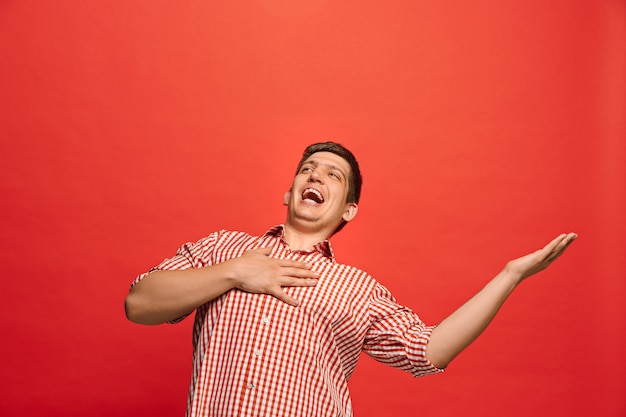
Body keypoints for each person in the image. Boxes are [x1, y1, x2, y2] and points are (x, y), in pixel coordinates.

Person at [125, 142, 577, 417]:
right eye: (308, 169)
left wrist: (510, 276)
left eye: (333, 175)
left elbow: (430, 350)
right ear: (289, 192)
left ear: (348, 211)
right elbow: (140, 302)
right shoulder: (225, 247)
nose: (316, 174)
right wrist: (235, 271)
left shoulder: (357, 288)